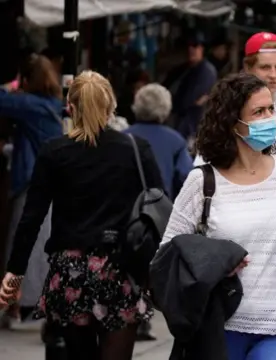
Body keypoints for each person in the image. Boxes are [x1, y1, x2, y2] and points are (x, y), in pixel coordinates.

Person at [0, 71, 163, 360]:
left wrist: (14, 274)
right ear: (111, 106)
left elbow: (32, 219)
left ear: (71, 108)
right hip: (121, 269)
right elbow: (158, 208)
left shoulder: (55, 152)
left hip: (70, 272)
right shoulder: (137, 149)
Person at [162, 73, 276, 360]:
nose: (269, 119)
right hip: (217, 327)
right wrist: (211, 264)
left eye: (270, 110)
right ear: (232, 122)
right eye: (258, 112)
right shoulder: (202, 183)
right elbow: (168, 252)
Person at [0, 55, 64, 327]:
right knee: (38, 250)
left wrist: (10, 85)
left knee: (21, 248)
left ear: (27, 79)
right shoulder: (53, 105)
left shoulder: (30, 104)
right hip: (51, 184)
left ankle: (14, 306)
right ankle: (24, 306)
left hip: (31, 184)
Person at [194, 32, 276, 169]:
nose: (273, 75)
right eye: (265, 67)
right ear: (248, 67)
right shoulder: (227, 108)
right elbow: (204, 166)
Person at [125, 83, 193, 200]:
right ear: (166, 108)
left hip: (125, 210)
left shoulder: (123, 137)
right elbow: (186, 179)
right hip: (161, 210)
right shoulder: (176, 141)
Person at [163, 31, 218, 145]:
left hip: (194, 126)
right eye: (189, 46)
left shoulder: (206, 71)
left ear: (202, 48)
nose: (191, 49)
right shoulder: (182, 69)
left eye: (195, 46)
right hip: (176, 121)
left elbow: (195, 100)